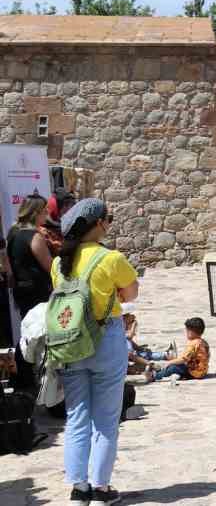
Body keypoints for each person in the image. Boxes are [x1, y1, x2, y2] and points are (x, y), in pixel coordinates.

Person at [53, 198, 138, 504]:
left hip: (71, 342)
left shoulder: (57, 262)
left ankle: (78, 488)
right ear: (99, 223)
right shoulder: (110, 258)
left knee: (76, 416)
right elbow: (131, 292)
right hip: (105, 339)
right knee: (105, 417)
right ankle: (100, 487)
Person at [7, 194, 52, 394]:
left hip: (22, 290)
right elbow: (49, 266)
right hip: (37, 291)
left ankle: (23, 377)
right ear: (35, 212)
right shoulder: (34, 236)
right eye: (44, 211)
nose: (47, 214)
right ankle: (26, 378)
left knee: (28, 332)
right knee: (34, 335)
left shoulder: (14, 233)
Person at [147, 317, 210, 384]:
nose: (186, 333)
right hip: (203, 371)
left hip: (194, 372)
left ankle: (154, 376)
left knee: (173, 367)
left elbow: (183, 359)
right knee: (177, 365)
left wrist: (169, 362)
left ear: (191, 332)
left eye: (187, 331)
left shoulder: (193, 344)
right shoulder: (203, 342)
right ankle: (178, 376)